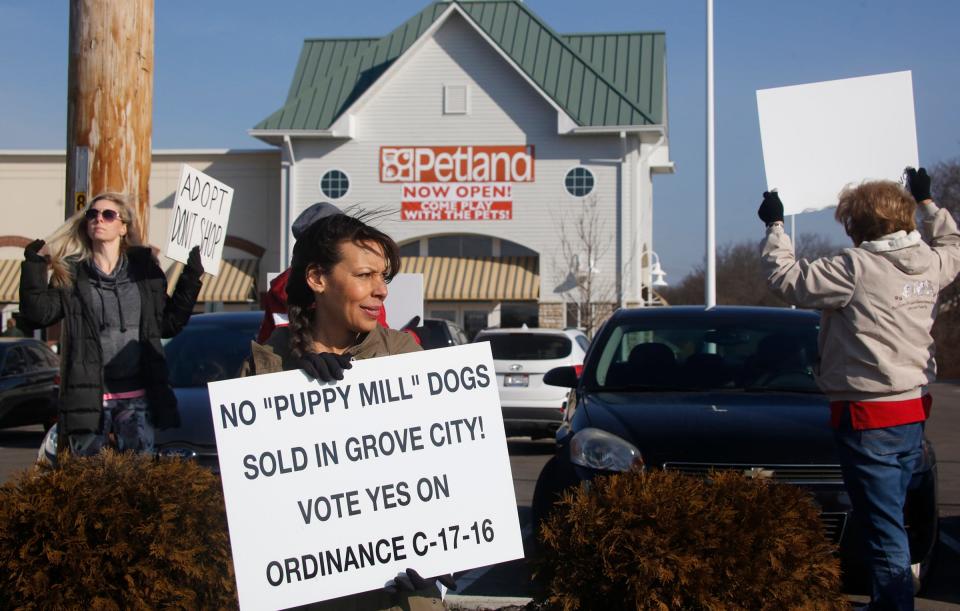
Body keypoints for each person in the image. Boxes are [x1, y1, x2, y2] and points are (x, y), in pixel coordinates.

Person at [759, 168, 960, 610]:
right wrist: (929, 203)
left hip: (868, 418)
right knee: (893, 522)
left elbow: (788, 280)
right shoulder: (927, 262)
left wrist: (775, 226)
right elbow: (954, 247)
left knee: (883, 528)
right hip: (910, 414)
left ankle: (893, 605)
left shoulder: (856, 268)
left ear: (858, 223)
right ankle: (890, 600)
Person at [241, 212, 451, 610]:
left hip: (398, 592)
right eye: (364, 275)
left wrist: (443, 553)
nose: (382, 291)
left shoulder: (404, 355)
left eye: (384, 277)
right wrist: (292, 390)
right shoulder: (265, 364)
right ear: (318, 279)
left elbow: (444, 472)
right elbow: (254, 491)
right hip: (305, 590)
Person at [18, 192, 204, 456]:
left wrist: (191, 276)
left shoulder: (145, 273)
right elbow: (38, 315)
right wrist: (34, 266)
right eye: (92, 215)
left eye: (108, 215)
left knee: (136, 481)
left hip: (137, 397)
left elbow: (168, 323)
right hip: (88, 400)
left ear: (123, 227)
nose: (99, 220)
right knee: (89, 483)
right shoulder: (72, 274)